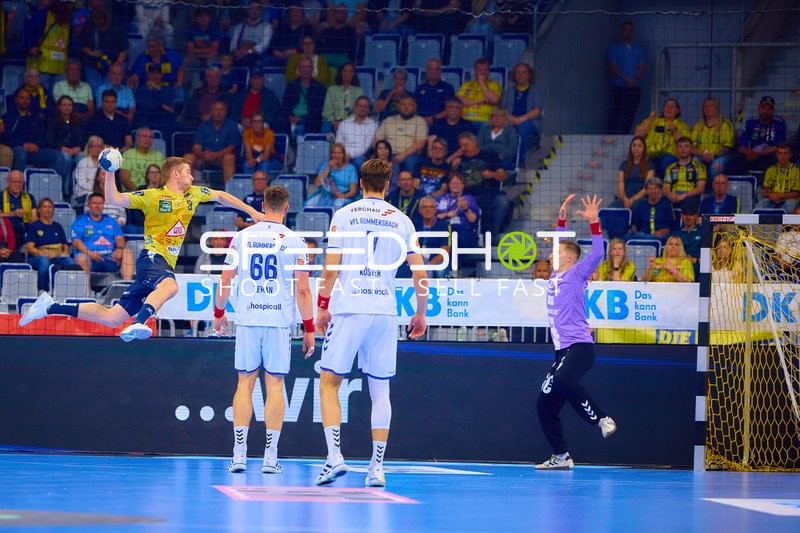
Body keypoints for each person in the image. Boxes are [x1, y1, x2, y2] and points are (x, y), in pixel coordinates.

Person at [20, 156, 265, 342]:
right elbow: (114, 199)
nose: (192, 176)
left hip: (161, 263)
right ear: (176, 175)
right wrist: (109, 171)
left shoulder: (194, 194)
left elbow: (221, 196)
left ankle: (49, 307)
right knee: (170, 286)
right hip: (151, 257)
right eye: (188, 172)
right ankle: (139, 322)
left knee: (112, 317)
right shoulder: (152, 196)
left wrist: (252, 212)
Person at [313, 158, 427, 487]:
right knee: (380, 390)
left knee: (329, 382)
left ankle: (335, 457)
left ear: (361, 183)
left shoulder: (344, 215)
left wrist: (323, 306)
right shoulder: (402, 220)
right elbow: (419, 272)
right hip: (384, 311)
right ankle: (376, 468)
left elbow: (330, 269)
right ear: (388, 185)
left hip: (349, 307)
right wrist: (420, 312)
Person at [212, 185, 316, 474]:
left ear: (263, 204)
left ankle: (239, 456)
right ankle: (270, 458)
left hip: (248, 319)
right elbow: (304, 292)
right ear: (286, 208)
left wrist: (219, 312)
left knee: (244, 383)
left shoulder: (242, 238)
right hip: (278, 322)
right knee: (275, 386)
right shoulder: (295, 242)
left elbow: (225, 280)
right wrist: (309, 329)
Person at [535, 194, 616, 470]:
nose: (549, 256)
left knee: (562, 380)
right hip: (561, 352)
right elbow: (559, 242)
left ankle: (602, 419)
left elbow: (598, 254)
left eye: (555, 254)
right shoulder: (557, 275)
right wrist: (560, 217)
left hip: (579, 347)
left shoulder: (578, 273)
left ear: (569, 258)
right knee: (544, 406)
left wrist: (594, 222)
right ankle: (561, 456)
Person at [4, 88, 68, 185]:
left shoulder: (35, 118)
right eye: (22, 98)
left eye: (27, 98)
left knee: (57, 155)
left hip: (35, 151)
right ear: (16, 99)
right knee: (21, 152)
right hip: (17, 151)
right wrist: (23, 145)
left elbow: (42, 137)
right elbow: (6, 137)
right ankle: (18, 185)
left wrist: (37, 145)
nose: (25, 101)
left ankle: (49, 185)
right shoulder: (8, 117)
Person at [451, 131, 509, 238]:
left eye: (465, 145)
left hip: (489, 193)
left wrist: (492, 174)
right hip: (467, 195)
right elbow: (451, 180)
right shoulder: (459, 160)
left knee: (502, 202)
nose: (463, 148)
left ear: (474, 142)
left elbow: (504, 175)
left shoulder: (490, 156)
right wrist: (453, 165)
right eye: (461, 146)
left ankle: (491, 236)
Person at [727, 95, 786, 176]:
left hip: (767, 155)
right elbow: (741, 146)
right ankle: (738, 186)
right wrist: (748, 153)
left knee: (776, 158)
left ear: (773, 111)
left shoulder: (779, 123)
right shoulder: (751, 122)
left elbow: (778, 146)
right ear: (758, 108)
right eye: (763, 108)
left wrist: (758, 154)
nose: (765, 111)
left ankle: (771, 186)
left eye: (769, 109)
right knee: (735, 158)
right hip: (750, 155)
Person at [184, 101, 240, 184]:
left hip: (221, 159)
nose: (218, 113)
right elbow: (196, 147)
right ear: (211, 112)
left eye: (221, 110)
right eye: (216, 110)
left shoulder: (232, 125)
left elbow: (232, 147)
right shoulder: (203, 126)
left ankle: (228, 192)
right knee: (188, 157)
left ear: (226, 112)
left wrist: (215, 155)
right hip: (204, 158)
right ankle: (189, 191)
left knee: (229, 157)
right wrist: (203, 155)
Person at [24, 197, 74, 290]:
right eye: (45, 207)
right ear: (39, 210)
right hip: (38, 257)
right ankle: (42, 290)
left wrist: (64, 253)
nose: (47, 209)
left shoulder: (57, 227)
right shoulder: (34, 226)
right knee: (44, 261)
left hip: (57, 256)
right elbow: (29, 248)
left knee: (70, 261)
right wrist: (45, 254)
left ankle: (65, 290)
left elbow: (65, 245)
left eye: (50, 207)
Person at [606, 21, 644, 134]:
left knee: (630, 113)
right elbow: (613, 66)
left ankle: (624, 136)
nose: (628, 33)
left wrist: (636, 79)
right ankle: (611, 136)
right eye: (625, 30)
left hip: (634, 87)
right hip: (620, 87)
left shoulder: (638, 49)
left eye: (630, 30)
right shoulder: (615, 48)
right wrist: (626, 79)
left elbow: (642, 67)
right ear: (621, 31)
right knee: (617, 111)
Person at [374, 94, 428, 173]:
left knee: (410, 161)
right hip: (388, 153)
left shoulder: (420, 121)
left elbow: (420, 143)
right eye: (403, 104)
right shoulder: (389, 120)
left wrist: (403, 155)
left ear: (415, 107)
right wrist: (382, 153)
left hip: (409, 155)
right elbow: (378, 139)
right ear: (399, 106)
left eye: (409, 104)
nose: (406, 107)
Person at [637, 98, 690, 177]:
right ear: (663, 109)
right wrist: (649, 120)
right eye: (666, 106)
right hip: (649, 156)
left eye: (672, 107)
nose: (669, 109)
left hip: (669, 157)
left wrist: (675, 132)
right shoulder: (653, 121)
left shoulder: (682, 125)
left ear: (677, 111)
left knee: (665, 166)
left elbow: (686, 145)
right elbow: (638, 135)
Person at [502, 62, 542, 163]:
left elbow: (537, 110)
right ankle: (506, 163)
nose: (520, 75)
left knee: (522, 128)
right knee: (505, 130)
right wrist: (511, 119)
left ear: (529, 75)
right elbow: (502, 109)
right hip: (510, 121)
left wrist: (520, 119)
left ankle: (520, 162)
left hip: (530, 122)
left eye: (524, 73)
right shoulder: (509, 91)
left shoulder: (535, 91)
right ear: (514, 76)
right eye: (518, 73)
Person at [46, 95, 84, 198]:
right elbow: (49, 140)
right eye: (64, 105)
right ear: (59, 107)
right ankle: (66, 190)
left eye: (69, 105)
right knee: (66, 158)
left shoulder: (77, 122)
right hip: (59, 150)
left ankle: (80, 192)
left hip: (75, 151)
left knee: (82, 157)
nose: (67, 107)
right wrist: (62, 148)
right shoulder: (53, 121)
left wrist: (79, 147)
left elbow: (82, 140)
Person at [278, 56, 327, 136]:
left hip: (310, 121)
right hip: (291, 119)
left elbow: (319, 111)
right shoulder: (291, 86)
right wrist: (290, 117)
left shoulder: (320, 88)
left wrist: (302, 119)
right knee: (280, 123)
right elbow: (284, 107)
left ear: (312, 69)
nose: (305, 70)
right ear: (299, 69)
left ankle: (298, 146)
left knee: (302, 126)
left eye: (308, 67)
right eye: (303, 67)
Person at [305, 143, 358, 208]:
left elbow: (353, 191)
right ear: (331, 155)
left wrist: (342, 196)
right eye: (333, 153)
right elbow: (317, 184)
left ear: (343, 155)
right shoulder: (325, 165)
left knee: (337, 205)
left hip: (343, 196)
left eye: (339, 153)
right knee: (309, 204)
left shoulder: (351, 168)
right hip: (325, 195)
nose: (336, 155)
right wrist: (329, 168)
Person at [691, 96, 734, 178]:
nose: (708, 109)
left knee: (714, 169)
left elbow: (728, 148)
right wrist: (701, 153)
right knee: (694, 163)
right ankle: (698, 189)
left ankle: (712, 190)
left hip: (721, 157)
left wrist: (713, 156)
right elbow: (692, 147)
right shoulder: (698, 125)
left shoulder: (726, 125)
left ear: (717, 108)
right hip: (701, 156)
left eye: (711, 106)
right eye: (705, 106)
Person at [435, 172, 479, 248]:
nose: (456, 185)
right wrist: (447, 214)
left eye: (459, 183)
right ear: (449, 185)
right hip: (443, 229)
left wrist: (466, 209)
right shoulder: (440, 199)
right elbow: (432, 217)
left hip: (463, 231)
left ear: (463, 185)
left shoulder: (469, 199)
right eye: (453, 183)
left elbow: (473, 220)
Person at [627, 177, 676, 244]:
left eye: (655, 188)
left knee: (649, 238)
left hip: (661, 236)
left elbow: (672, 226)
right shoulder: (641, 205)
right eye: (649, 189)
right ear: (646, 191)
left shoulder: (666, 204)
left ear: (660, 190)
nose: (652, 191)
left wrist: (663, 231)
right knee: (627, 237)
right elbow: (636, 225)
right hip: (643, 235)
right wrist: (633, 229)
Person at [663, 136, 707, 212]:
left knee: (690, 202)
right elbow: (666, 188)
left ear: (691, 149)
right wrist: (671, 196)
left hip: (690, 196)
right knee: (662, 202)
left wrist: (683, 196)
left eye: (686, 146)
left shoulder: (699, 167)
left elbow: (700, 188)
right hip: (673, 196)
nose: (683, 149)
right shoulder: (670, 167)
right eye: (680, 146)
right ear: (676, 149)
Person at [335, 95, 378, 169]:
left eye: (365, 107)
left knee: (357, 162)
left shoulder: (373, 125)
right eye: (360, 106)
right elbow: (338, 143)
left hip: (361, 156)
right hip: (342, 155)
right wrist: (342, 155)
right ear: (355, 108)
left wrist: (349, 155)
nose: (362, 108)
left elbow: (365, 147)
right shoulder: (344, 123)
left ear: (368, 109)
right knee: (324, 165)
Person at [457, 57, 502, 127]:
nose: (482, 72)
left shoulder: (494, 85)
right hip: (466, 119)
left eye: (485, 70)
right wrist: (481, 101)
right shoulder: (466, 85)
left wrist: (482, 83)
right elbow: (459, 101)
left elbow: (494, 100)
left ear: (489, 71)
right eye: (479, 70)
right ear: (475, 71)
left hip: (485, 120)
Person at [229, 1, 273, 69]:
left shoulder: (267, 26)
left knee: (246, 59)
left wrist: (248, 51)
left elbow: (264, 46)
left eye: (257, 9)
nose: (254, 11)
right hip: (239, 54)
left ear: (261, 11)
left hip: (256, 55)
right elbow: (233, 44)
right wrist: (235, 51)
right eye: (252, 8)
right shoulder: (239, 26)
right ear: (248, 10)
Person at [119, 128, 165, 192]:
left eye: (150, 137)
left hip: (154, 193)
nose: (147, 139)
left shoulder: (158, 155)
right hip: (133, 193)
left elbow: (163, 178)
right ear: (137, 139)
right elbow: (124, 178)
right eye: (144, 136)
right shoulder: (128, 154)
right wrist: (139, 193)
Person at [322, 63, 363, 133]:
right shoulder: (332, 90)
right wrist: (334, 122)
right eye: (345, 71)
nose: (347, 74)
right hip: (332, 123)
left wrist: (343, 123)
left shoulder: (359, 91)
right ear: (341, 73)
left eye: (350, 71)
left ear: (354, 74)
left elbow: (358, 111)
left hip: (351, 123)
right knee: (326, 128)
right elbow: (327, 112)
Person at [615, 136, 654, 209]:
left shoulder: (650, 165)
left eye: (639, 146)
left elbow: (646, 188)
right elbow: (620, 188)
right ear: (631, 148)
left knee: (635, 207)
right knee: (611, 209)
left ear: (644, 149)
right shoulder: (623, 165)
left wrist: (633, 199)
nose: (636, 148)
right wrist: (625, 199)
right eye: (634, 145)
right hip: (625, 198)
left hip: (641, 199)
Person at [0, 169, 37, 248]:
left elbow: (34, 214)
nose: (17, 184)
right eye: (15, 182)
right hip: (7, 229)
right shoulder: (1, 196)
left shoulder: (30, 197)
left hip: (25, 229)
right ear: (9, 182)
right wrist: (13, 213)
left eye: (20, 182)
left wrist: (31, 217)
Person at [51, 58, 95, 124]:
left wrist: (84, 117)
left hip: (85, 121)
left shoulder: (87, 86)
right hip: (65, 121)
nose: (74, 72)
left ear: (80, 72)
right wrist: (73, 116)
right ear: (66, 72)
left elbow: (91, 109)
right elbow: (58, 108)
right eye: (71, 69)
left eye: (77, 70)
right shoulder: (58, 86)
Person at [759, 143, 799, 213]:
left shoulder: (796, 171)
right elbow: (766, 188)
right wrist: (770, 194)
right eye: (780, 153)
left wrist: (780, 196)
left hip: (789, 199)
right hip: (772, 198)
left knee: (789, 207)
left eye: (785, 153)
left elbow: (796, 194)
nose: (782, 156)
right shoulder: (770, 170)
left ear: (790, 155)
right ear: (776, 155)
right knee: (760, 206)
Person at [477, 107, 519, 171]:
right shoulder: (484, 129)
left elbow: (512, 149)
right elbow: (478, 145)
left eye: (500, 116)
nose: (497, 118)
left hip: (503, 158)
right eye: (494, 116)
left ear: (505, 118)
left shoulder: (510, 130)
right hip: (485, 158)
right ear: (491, 118)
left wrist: (499, 157)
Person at [415, 59, 455, 125]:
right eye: (431, 69)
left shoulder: (448, 88)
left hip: (440, 124)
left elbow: (449, 109)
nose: (434, 71)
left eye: (437, 69)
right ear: (427, 71)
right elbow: (414, 108)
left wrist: (433, 118)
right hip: (420, 124)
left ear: (440, 71)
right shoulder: (419, 88)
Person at [73, 136, 104, 212]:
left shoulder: (104, 164)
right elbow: (82, 182)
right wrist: (96, 189)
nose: (97, 149)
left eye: (99, 147)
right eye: (94, 146)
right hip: (84, 194)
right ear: (89, 148)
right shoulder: (83, 162)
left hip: (101, 192)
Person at [673, 205, 702, 279]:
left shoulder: (702, 232)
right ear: (681, 216)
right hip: (680, 264)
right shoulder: (675, 233)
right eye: (685, 215)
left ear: (696, 216)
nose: (688, 217)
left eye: (691, 215)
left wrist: (696, 260)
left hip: (697, 265)